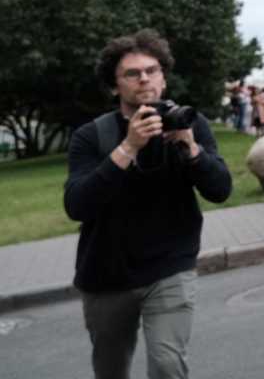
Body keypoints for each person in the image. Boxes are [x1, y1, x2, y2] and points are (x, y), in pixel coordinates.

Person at [64, 29, 232, 379]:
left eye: (152, 70)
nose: (145, 79)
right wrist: (128, 148)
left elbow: (220, 190)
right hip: (107, 275)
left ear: (164, 78)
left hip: (170, 265)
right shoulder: (91, 136)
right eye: (132, 73)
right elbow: (77, 205)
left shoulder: (189, 123)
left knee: (168, 365)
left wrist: (191, 148)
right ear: (114, 86)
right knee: (111, 371)